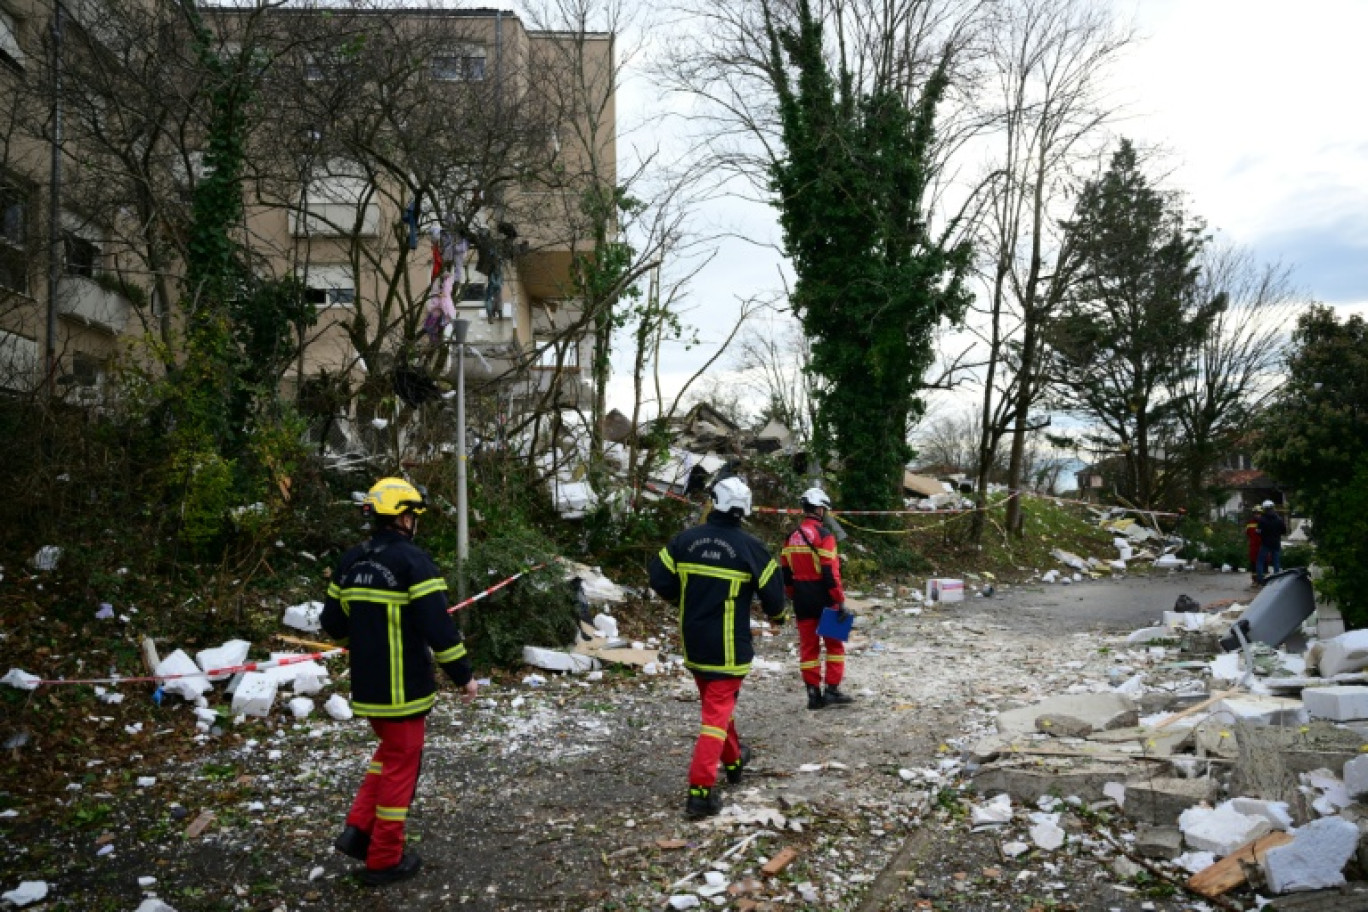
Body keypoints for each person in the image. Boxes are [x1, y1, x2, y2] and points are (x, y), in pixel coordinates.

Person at [321, 477, 479, 886]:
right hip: (405, 689)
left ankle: (358, 831)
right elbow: (438, 628)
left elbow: (332, 623)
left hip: (368, 688)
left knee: (388, 755)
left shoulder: (351, 561)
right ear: (404, 518)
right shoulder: (413, 562)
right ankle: (384, 859)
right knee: (400, 771)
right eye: (413, 515)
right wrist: (463, 676)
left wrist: (365, 635)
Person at [648, 476, 787, 819]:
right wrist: (779, 617)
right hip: (728, 649)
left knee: (717, 709)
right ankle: (700, 792)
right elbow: (775, 598)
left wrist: (683, 599)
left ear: (714, 502)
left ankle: (735, 759)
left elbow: (659, 578)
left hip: (694, 643)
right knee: (715, 716)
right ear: (745, 508)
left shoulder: (685, 541)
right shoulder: (751, 548)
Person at [780, 487, 854, 710]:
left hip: (801, 598)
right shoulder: (824, 536)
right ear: (820, 509)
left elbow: (785, 572)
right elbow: (830, 572)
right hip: (825, 597)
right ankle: (832, 690)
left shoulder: (791, 537)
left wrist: (792, 594)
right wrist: (839, 600)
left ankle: (813, 695)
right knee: (835, 645)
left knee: (809, 648)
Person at [1255, 499, 1288, 585]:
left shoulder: (1262, 520)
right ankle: (1277, 580)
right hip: (1276, 543)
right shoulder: (1279, 519)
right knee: (1276, 562)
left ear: (1264, 508)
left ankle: (1260, 580)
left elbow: (1258, 531)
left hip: (1265, 543)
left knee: (1260, 561)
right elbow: (1284, 531)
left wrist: (1262, 534)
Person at [1244, 510, 1262, 585]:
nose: (1257, 515)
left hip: (1261, 545)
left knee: (1263, 562)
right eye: (1256, 513)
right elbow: (1247, 533)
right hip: (1254, 546)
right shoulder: (1250, 523)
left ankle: (1261, 579)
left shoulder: (1263, 522)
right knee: (1253, 563)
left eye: (1259, 513)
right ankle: (1255, 580)